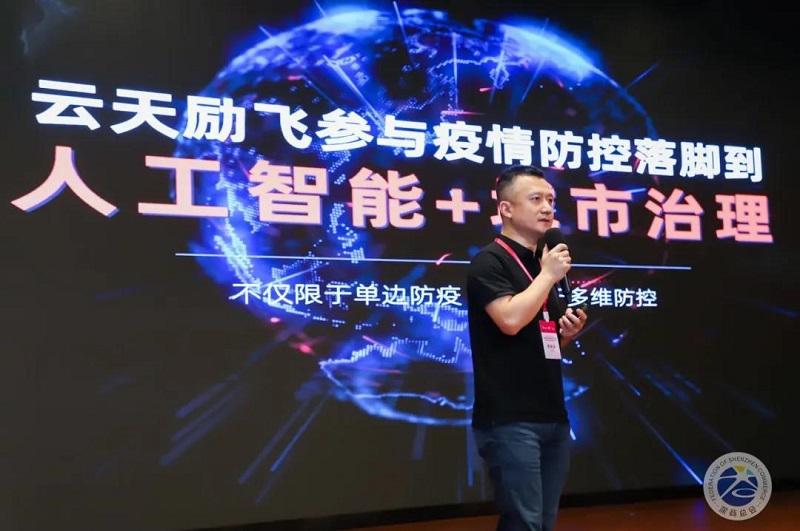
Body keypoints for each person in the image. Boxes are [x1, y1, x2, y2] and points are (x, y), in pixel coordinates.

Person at [466, 164, 588, 531]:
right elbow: (509, 320)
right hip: (509, 418)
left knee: (543, 523)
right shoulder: (490, 261)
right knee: (524, 523)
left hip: (552, 414)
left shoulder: (541, 264)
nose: (547, 207)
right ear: (506, 209)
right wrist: (548, 275)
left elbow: (538, 337)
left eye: (550, 199)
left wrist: (566, 334)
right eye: (536, 199)